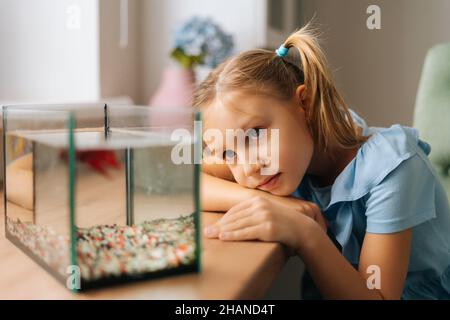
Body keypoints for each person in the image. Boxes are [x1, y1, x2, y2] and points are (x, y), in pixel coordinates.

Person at [194, 23, 450, 299]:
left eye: (255, 134)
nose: (247, 168)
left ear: (305, 103)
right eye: (227, 154)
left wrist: (305, 233)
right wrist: (272, 203)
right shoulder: (286, 156)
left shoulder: (394, 167)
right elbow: (185, 182)